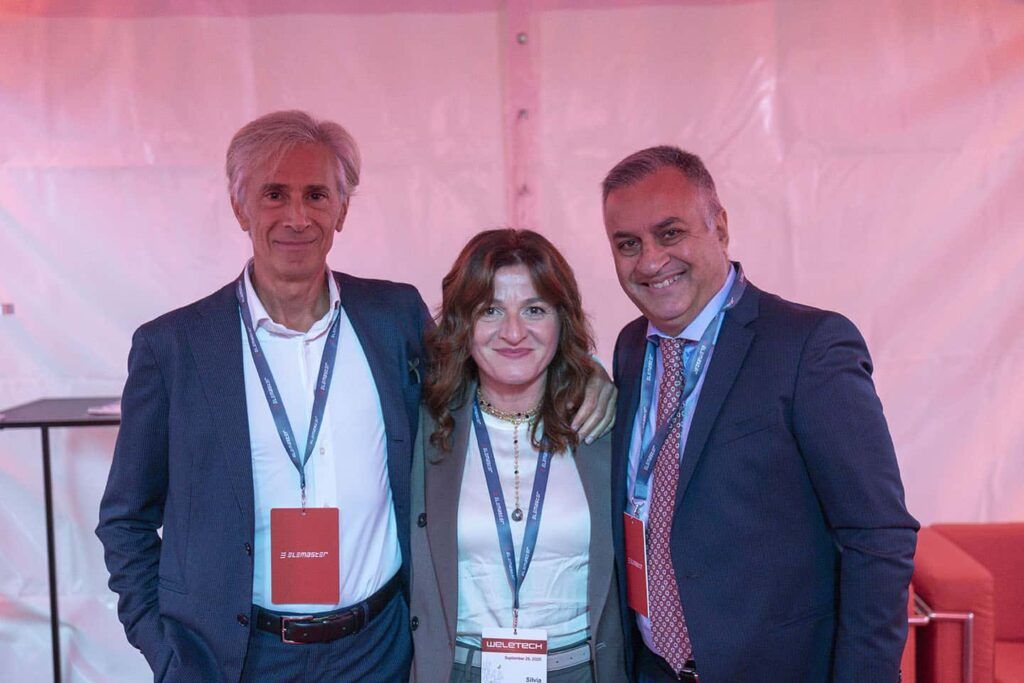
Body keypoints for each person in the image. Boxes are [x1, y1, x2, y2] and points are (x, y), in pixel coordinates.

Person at [95, 110, 615, 682]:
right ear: (239, 205)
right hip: (238, 658)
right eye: (274, 194)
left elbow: (493, 359)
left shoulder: (393, 318)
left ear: (341, 210)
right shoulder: (175, 347)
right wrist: (166, 652)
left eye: (317, 195)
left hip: (378, 651)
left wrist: (586, 374)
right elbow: (126, 520)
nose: (297, 217)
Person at [601, 146, 918, 682]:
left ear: (720, 227)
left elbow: (877, 536)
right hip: (653, 670)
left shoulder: (808, 347)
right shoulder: (631, 348)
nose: (650, 261)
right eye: (627, 244)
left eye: (670, 233)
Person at [409, 229, 627, 682]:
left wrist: (594, 373)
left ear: (562, 320)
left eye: (534, 310)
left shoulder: (602, 426)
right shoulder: (425, 424)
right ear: (462, 323)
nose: (513, 332)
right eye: (490, 310)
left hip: (580, 670)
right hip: (462, 670)